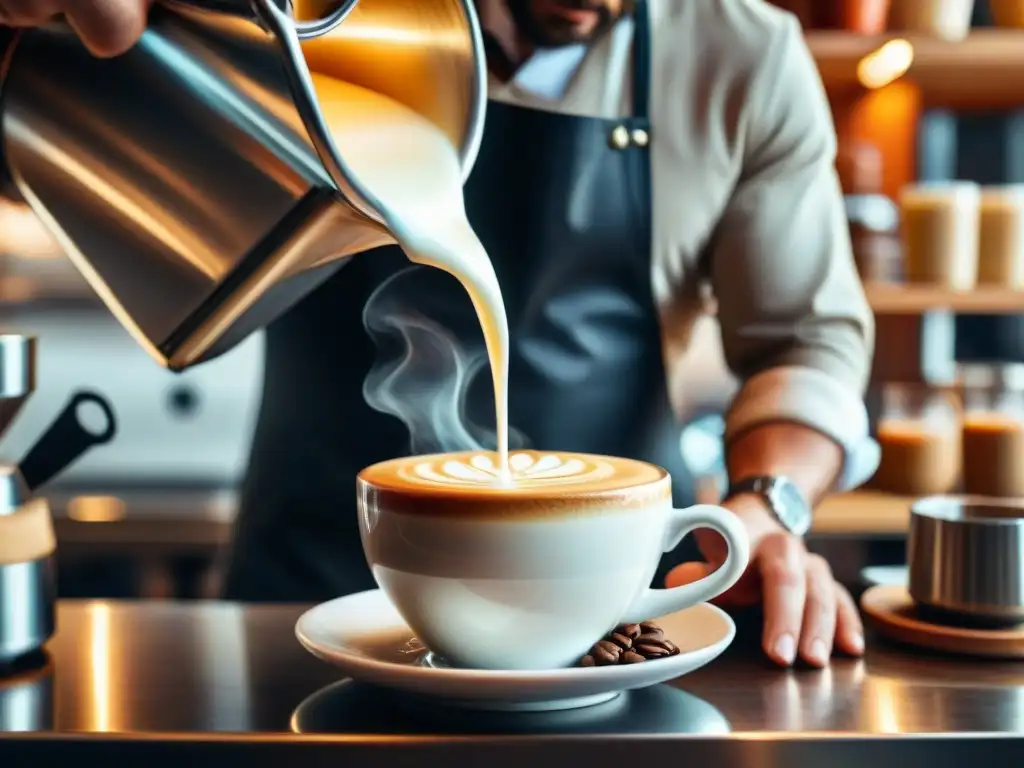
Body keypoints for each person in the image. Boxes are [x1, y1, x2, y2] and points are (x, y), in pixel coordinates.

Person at [0, 0, 878, 668]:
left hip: (612, 621)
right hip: (299, 597)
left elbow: (808, 344)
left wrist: (766, 505)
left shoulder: (741, 53)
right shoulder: (330, 17)